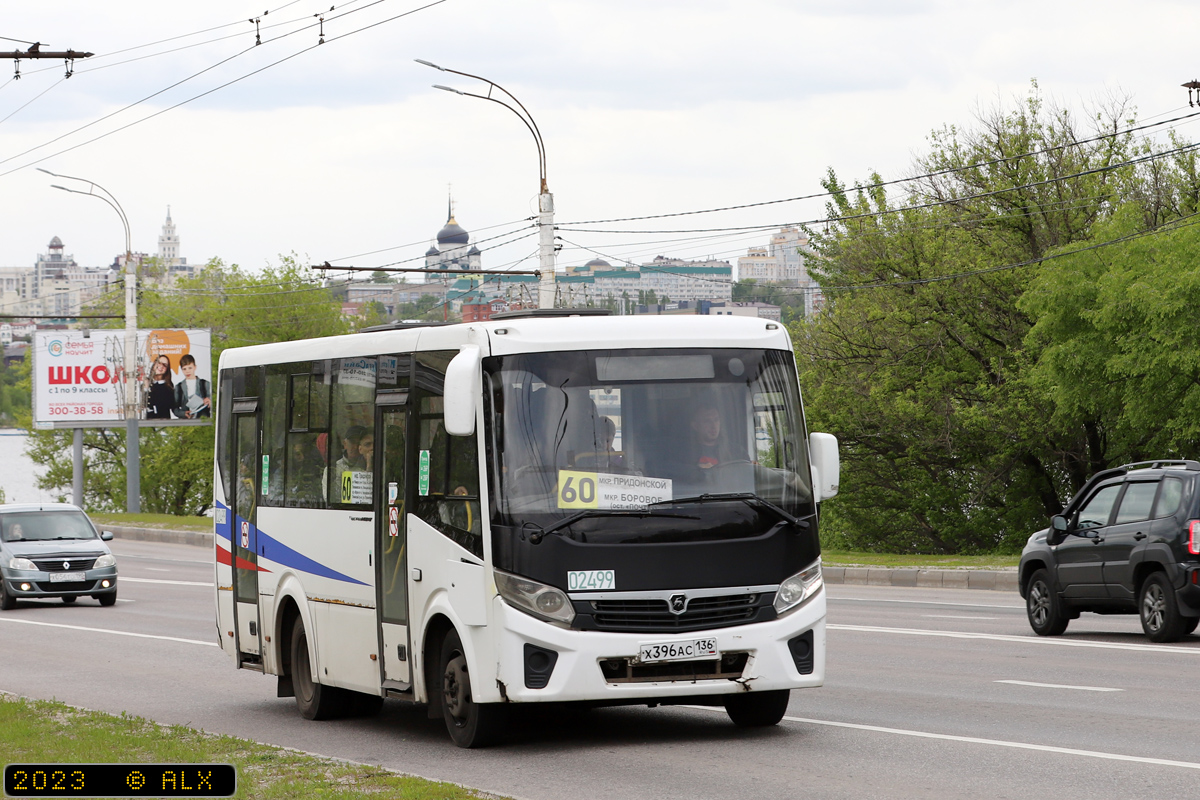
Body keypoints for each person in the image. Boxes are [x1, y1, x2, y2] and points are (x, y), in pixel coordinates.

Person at [172, 353, 211, 419]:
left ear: (195, 367)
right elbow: (174, 408)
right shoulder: (178, 387)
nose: (187, 371)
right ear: (181, 369)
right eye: (184, 369)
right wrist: (183, 414)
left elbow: (215, 401)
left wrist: (210, 401)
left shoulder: (205, 384)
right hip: (186, 421)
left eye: (190, 368)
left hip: (203, 419)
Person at [145, 355, 174, 419]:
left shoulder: (169, 386)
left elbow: (172, 406)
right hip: (148, 423)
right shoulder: (146, 383)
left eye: (165, 365)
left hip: (164, 423)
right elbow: (144, 404)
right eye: (159, 362)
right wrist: (146, 388)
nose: (161, 366)